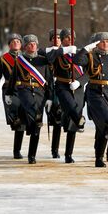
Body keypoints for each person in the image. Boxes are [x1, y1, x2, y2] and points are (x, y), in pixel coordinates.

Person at [73, 32, 108, 167]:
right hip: (96, 94)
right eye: (102, 41)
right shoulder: (91, 56)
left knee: (103, 129)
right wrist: (86, 49)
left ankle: (99, 158)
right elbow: (76, 61)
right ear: (97, 44)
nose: (106, 44)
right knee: (107, 119)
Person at [6, 34, 53, 164]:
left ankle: (31, 155)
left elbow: (49, 81)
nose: (32, 46)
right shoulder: (20, 61)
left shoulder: (43, 60)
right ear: (25, 46)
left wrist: (50, 97)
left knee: (37, 125)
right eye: (29, 44)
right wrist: (9, 93)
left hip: (40, 94)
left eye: (34, 43)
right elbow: (13, 78)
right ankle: (19, 149)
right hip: (24, 92)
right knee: (34, 118)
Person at [50, 28, 85, 163]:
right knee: (69, 114)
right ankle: (55, 149)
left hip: (77, 89)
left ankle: (68, 154)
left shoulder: (80, 53)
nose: (69, 40)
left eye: (72, 37)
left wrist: (80, 82)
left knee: (73, 125)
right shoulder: (57, 53)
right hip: (62, 87)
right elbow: (50, 59)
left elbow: (88, 73)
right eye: (66, 38)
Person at [0, 33, 26, 159]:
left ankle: (17, 151)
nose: (15, 43)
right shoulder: (3, 59)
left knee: (22, 123)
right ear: (9, 44)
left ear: (21, 44)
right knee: (16, 120)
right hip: (9, 91)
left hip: (24, 90)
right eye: (12, 41)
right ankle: (16, 150)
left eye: (18, 41)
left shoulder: (27, 57)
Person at [43, 29, 63, 158]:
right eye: (54, 38)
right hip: (48, 88)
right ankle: (54, 149)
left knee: (60, 120)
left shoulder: (67, 52)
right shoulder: (45, 53)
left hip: (62, 88)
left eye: (59, 38)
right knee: (54, 120)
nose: (56, 40)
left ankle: (58, 149)